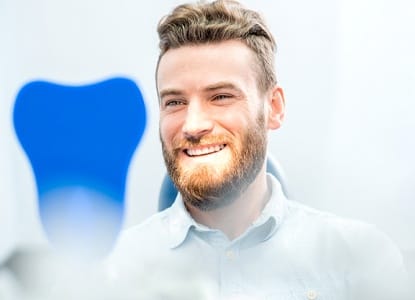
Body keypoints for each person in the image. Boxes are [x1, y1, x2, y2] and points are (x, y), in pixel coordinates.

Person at [105, 0, 410, 299]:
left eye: (221, 96)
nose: (192, 125)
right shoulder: (110, 272)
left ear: (274, 108)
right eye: (175, 102)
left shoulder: (360, 261)